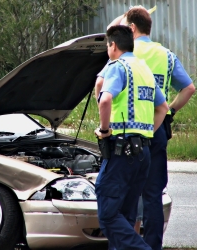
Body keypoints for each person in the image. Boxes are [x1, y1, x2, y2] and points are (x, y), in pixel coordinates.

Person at [97, 7, 195, 250]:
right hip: (153, 131)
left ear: (130, 29)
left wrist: (104, 125)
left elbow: (102, 85)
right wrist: (170, 112)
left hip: (124, 133)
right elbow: (189, 89)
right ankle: (153, 245)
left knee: (120, 202)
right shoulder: (165, 55)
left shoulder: (121, 57)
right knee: (152, 194)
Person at [94, 25, 169, 249]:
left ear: (113, 46)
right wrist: (145, 134)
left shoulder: (118, 67)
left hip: (121, 151)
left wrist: (104, 130)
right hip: (143, 153)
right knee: (126, 217)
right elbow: (163, 107)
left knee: (108, 215)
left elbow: (105, 99)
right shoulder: (144, 69)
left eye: (108, 46)